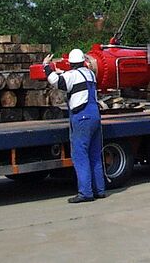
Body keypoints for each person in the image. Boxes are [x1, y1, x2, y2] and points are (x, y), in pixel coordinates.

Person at [43, 49, 106, 203]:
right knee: (94, 155)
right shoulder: (90, 74)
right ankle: (99, 190)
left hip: (82, 117)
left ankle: (85, 193)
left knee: (80, 155)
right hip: (95, 115)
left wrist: (46, 66)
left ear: (71, 63)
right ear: (83, 61)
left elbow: (56, 81)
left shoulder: (72, 75)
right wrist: (62, 72)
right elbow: (72, 78)